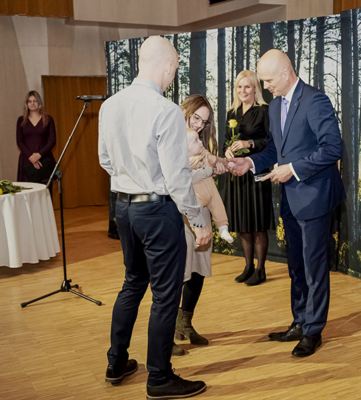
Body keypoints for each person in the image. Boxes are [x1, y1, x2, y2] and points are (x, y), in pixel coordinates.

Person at [98, 36, 210, 399]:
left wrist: (131, 180)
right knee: (165, 295)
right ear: (167, 65)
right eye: (175, 67)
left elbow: (105, 160)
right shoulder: (165, 110)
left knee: (133, 282)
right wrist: (197, 220)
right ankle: (159, 377)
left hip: (123, 208)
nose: (174, 73)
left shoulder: (110, 105)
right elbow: (177, 179)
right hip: (157, 211)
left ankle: (117, 362)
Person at [229, 50, 345, 357]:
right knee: (296, 265)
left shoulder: (315, 100)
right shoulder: (276, 105)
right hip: (291, 200)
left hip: (316, 197)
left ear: (285, 73)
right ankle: (300, 321)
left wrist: (293, 169)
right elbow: (275, 152)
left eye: (268, 80)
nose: (265, 86)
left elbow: (333, 147)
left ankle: (313, 331)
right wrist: (250, 163)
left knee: (314, 267)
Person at [174, 94, 226, 352]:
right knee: (177, 273)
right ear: (185, 111)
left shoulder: (199, 144)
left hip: (201, 215)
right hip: (180, 215)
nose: (198, 125)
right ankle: (168, 329)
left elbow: (214, 162)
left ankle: (185, 323)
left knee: (197, 271)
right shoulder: (170, 137)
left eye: (204, 122)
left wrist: (226, 163)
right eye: (196, 117)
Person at [224, 70, 275, 286]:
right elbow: (226, 140)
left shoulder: (264, 111)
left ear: (255, 89)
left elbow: (271, 142)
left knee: (258, 223)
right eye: (239, 87)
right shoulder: (232, 112)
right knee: (243, 223)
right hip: (237, 175)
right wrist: (227, 150)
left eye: (247, 86)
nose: (243, 90)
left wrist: (249, 143)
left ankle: (261, 270)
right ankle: (248, 267)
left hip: (257, 173)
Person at [186, 128, 233, 243]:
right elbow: (190, 178)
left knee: (219, 207)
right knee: (194, 213)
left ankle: (223, 228)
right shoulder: (184, 163)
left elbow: (217, 161)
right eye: (196, 141)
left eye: (199, 139)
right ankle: (198, 234)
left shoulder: (204, 155)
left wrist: (228, 165)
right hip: (197, 197)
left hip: (211, 194)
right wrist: (208, 170)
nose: (201, 142)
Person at [16, 90, 56, 183]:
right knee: (27, 190)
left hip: (44, 160)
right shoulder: (21, 120)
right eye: (29, 101)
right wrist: (31, 157)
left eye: (35, 101)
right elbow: (19, 141)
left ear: (39, 103)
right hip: (26, 160)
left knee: (44, 190)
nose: (32, 103)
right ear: (27, 104)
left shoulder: (48, 119)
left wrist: (39, 155)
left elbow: (52, 141)